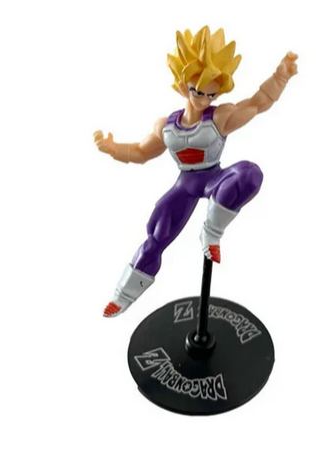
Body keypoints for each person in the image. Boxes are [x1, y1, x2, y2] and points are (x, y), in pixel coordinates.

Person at [94, 26, 298, 318]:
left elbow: (257, 103)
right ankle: (123, 296)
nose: (203, 100)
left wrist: (281, 77)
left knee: (249, 174)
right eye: (197, 92)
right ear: (182, 86)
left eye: (210, 94)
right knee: (155, 238)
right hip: (185, 186)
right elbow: (140, 151)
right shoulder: (166, 126)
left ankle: (211, 233)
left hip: (214, 179)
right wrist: (112, 148)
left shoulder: (220, 117)